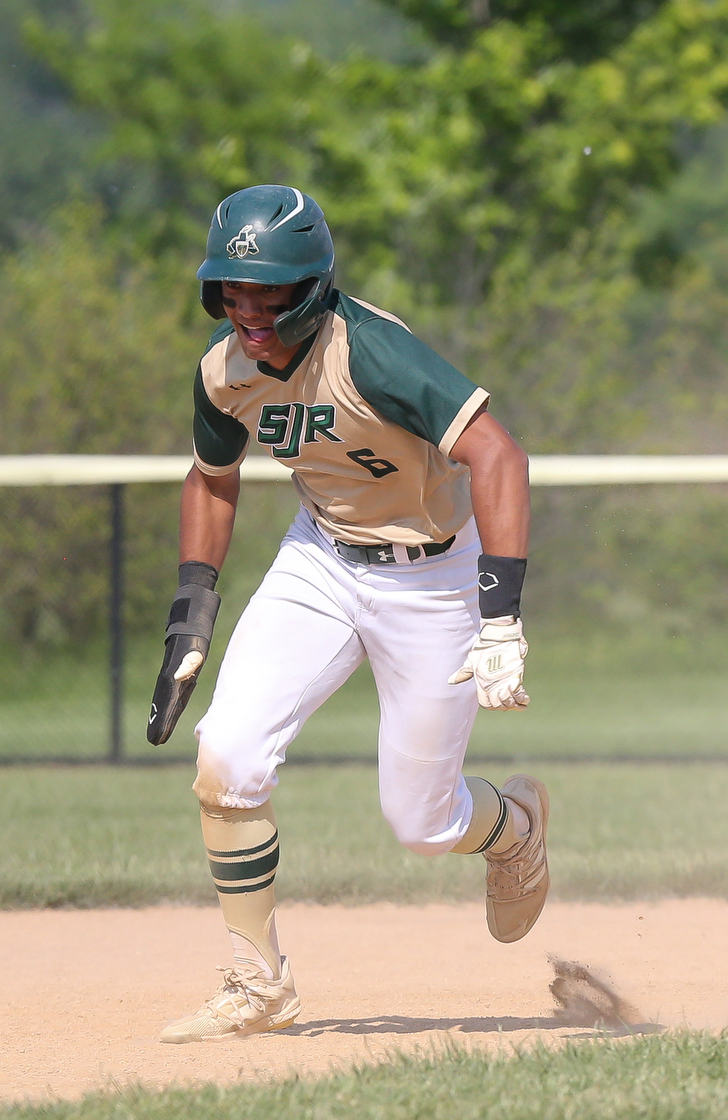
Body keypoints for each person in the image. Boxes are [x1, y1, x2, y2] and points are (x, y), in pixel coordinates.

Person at [148, 184, 549, 1043]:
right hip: (321, 556)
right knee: (225, 754)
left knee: (422, 822)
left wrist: (502, 617)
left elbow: (498, 455)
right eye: (233, 290)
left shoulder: (371, 354)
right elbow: (212, 479)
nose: (249, 311)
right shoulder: (224, 370)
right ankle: (259, 985)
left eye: (270, 291)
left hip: (435, 574)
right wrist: (192, 607)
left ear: (314, 288)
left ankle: (513, 828)